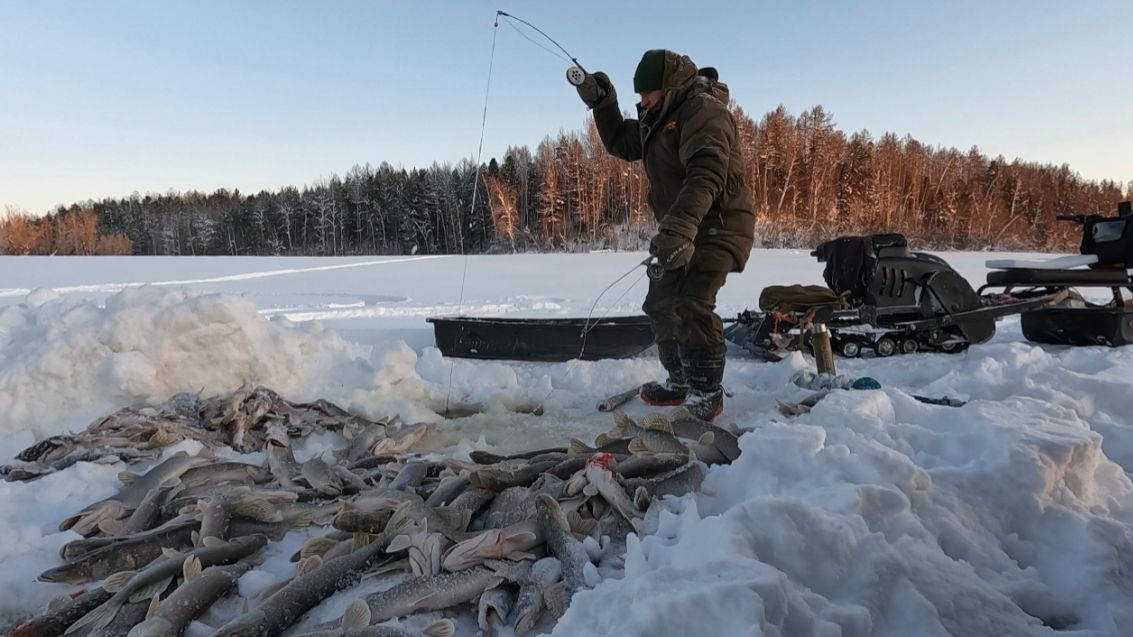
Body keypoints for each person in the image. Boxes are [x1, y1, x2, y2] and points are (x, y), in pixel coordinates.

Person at [575, 49, 756, 421]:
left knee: (693, 300)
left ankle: (706, 390)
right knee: (661, 302)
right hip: (683, 226)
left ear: (669, 87)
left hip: (719, 224)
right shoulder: (659, 118)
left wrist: (678, 227)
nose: (642, 102)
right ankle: (681, 381)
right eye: (638, 96)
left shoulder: (703, 111)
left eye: (647, 94)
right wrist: (604, 103)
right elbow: (622, 143)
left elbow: (706, 174)